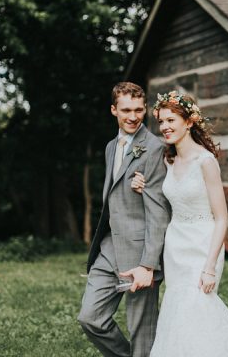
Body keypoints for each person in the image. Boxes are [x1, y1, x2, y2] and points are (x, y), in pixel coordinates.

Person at [131, 90, 228, 356]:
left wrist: (209, 267)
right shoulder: (168, 160)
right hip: (176, 246)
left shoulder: (205, 162)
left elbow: (222, 218)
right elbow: (163, 197)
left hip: (203, 245)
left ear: (189, 122)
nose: (165, 127)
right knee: (180, 313)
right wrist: (141, 185)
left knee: (197, 308)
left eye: (171, 120)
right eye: (161, 122)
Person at [77, 82, 170, 357]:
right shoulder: (110, 147)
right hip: (109, 248)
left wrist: (148, 264)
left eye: (139, 110)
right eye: (126, 110)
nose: (133, 116)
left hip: (140, 253)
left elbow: (159, 210)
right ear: (113, 110)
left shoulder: (154, 148)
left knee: (142, 331)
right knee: (90, 317)